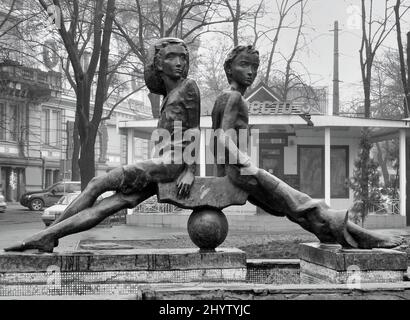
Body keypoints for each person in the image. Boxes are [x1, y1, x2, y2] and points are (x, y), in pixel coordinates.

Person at [5, 38, 200, 252]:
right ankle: (48, 237)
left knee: (97, 183)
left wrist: (189, 170)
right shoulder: (169, 95)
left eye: (183, 57)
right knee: (110, 205)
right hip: (163, 163)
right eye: (171, 57)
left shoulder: (188, 87)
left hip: (170, 164)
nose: (179, 62)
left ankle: (46, 234)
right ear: (159, 64)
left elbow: (193, 130)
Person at [211, 45, 403, 249]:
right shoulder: (234, 97)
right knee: (302, 203)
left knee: (294, 207)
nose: (251, 71)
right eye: (244, 65)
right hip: (242, 173)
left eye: (255, 66)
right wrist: (243, 162)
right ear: (229, 69)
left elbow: (215, 140)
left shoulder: (225, 97)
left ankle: (333, 232)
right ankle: (364, 237)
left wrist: (220, 176)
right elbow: (222, 137)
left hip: (235, 173)